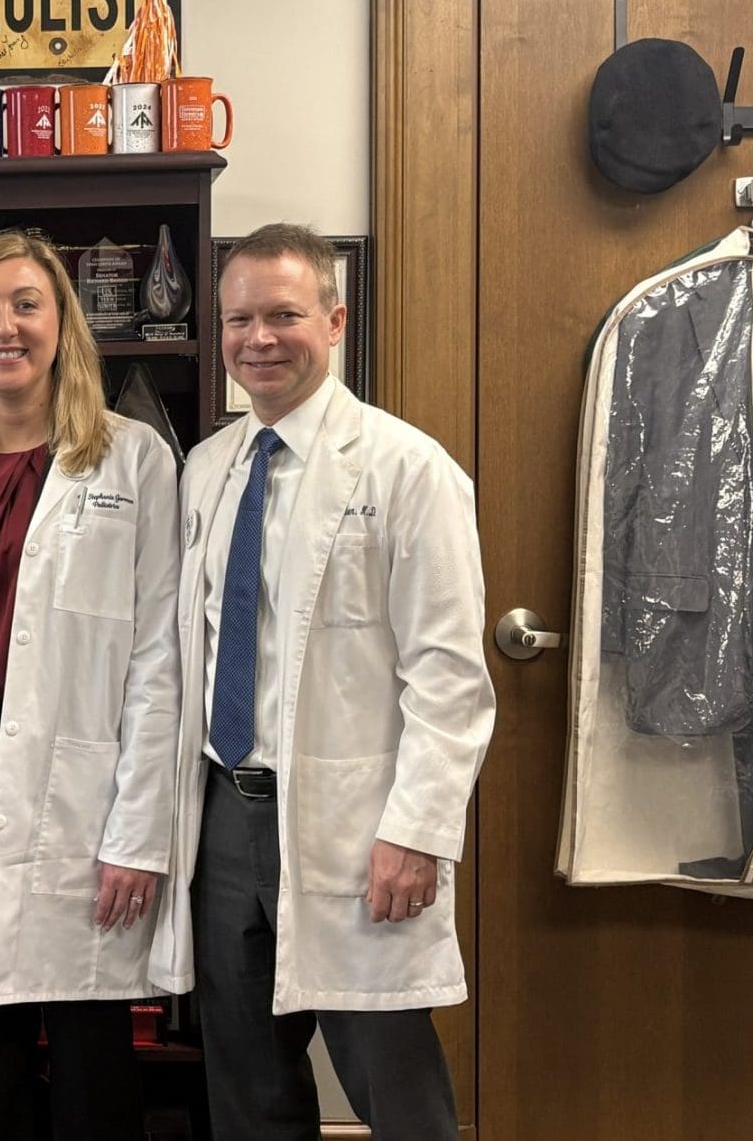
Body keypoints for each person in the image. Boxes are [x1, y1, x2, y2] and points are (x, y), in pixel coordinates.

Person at [179, 222, 496, 1140]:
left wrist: (416, 832)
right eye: (238, 320)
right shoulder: (207, 469)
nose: (258, 339)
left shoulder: (407, 468)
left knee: (392, 1085)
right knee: (245, 1082)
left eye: (283, 315)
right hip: (225, 814)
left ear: (334, 320)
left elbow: (449, 676)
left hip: (356, 822)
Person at [0, 230, 183, 1141]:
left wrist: (139, 832)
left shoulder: (132, 457)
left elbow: (159, 656)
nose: (2, 327)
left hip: (82, 778)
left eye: (25, 305)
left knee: (90, 1033)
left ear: (62, 324)